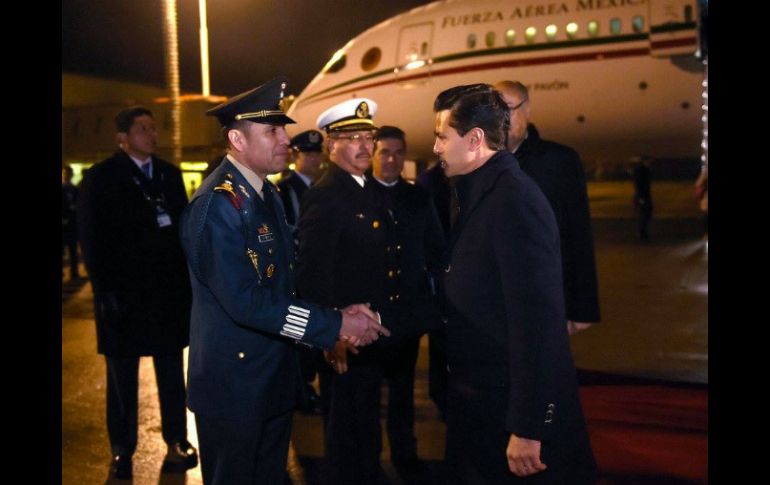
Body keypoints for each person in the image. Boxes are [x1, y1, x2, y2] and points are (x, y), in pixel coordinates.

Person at [178, 77, 389, 485]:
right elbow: (247, 303)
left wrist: (335, 314)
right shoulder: (219, 205)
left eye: (284, 129)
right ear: (237, 140)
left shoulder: (264, 195)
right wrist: (333, 326)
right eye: (273, 131)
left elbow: (286, 285)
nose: (285, 139)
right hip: (234, 389)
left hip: (270, 379)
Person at [432, 83, 597, 484]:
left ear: (473, 140)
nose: (435, 148)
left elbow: (538, 324)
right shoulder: (475, 191)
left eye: (441, 136)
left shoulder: (513, 200)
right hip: (480, 403)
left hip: (508, 414)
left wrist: (528, 426)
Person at [77, 106, 198, 480]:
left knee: (170, 374)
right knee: (122, 379)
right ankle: (121, 449)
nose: (152, 134)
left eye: (153, 127)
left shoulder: (168, 175)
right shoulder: (102, 177)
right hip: (123, 297)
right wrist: (103, 291)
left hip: (165, 297)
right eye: (143, 128)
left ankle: (176, 440)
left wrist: (187, 289)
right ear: (123, 137)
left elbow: (183, 234)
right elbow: (91, 238)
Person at [295, 98, 400, 485]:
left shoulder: (367, 189)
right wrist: (328, 332)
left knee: (366, 420)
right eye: (351, 138)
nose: (363, 146)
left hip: (370, 332)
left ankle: (368, 473)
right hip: (344, 336)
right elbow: (312, 272)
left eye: (367, 137)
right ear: (329, 145)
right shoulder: (326, 194)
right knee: (343, 427)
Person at [493, 81, 601, 334]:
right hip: (493, 305)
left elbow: (579, 238)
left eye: (507, 109)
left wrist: (582, 309)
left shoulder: (560, 161)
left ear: (527, 109)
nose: (501, 119)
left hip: (545, 300)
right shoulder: (476, 166)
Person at [369, 125, 446, 480]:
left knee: (401, 392)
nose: (391, 159)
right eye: (384, 151)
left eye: (398, 152)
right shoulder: (357, 196)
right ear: (372, 154)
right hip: (366, 316)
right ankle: (369, 457)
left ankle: (405, 453)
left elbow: (434, 249)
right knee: (367, 396)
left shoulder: (418, 198)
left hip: (406, 314)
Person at [278, 129, 324, 227]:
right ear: (295, 157)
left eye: (317, 154)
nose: (314, 159)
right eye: (308, 155)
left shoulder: (323, 185)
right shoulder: (284, 190)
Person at [62, 164, 81, 281]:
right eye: (65, 173)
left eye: (68, 173)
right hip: (64, 224)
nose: (66, 175)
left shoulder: (75, 189)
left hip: (72, 224)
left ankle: (74, 272)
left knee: (73, 249)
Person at [633, 156, 653, 241]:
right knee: (644, 214)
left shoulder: (642, 170)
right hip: (643, 196)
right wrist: (641, 197)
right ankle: (642, 232)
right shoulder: (642, 171)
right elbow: (640, 185)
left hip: (643, 195)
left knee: (645, 214)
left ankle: (642, 232)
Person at [694, 162, 708, 240]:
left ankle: (706, 233)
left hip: (706, 198)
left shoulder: (705, 171)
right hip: (706, 197)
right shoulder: (705, 171)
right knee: (705, 215)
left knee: (705, 215)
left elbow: (698, 183)